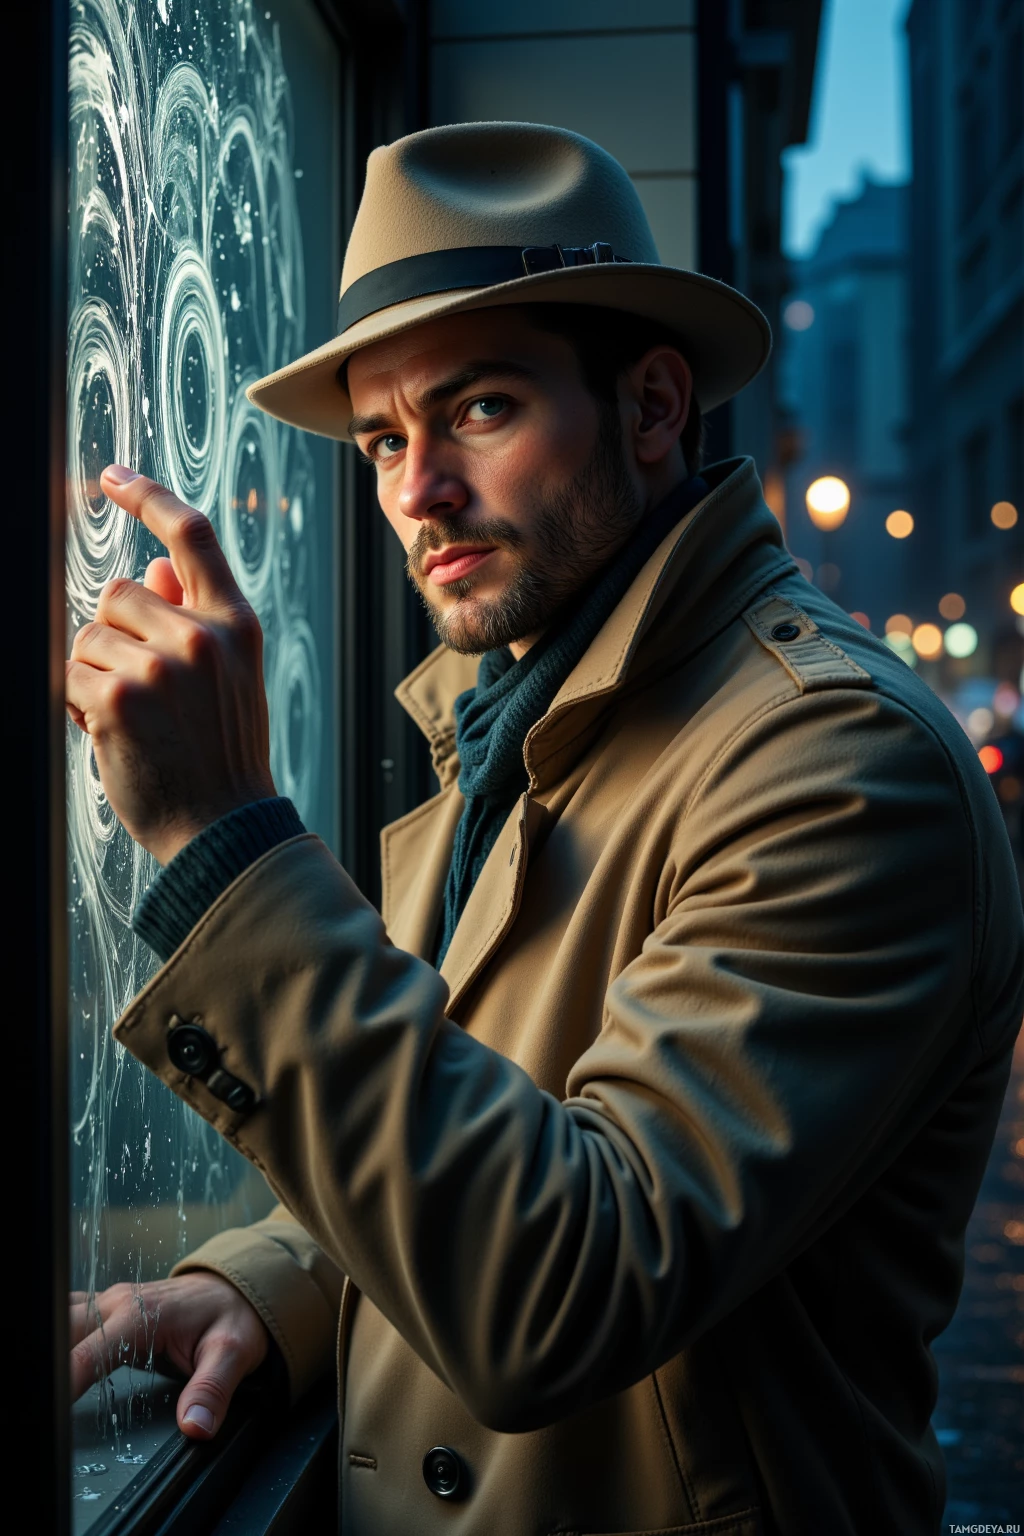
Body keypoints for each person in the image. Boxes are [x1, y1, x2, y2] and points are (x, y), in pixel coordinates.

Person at [66, 121, 1023, 1536]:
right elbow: (456, 1133)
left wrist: (226, 841)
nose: (416, 489)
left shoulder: (838, 764)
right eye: (385, 439)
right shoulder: (510, 725)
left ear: (651, 408)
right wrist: (267, 1286)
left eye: (481, 408)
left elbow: (566, 1283)